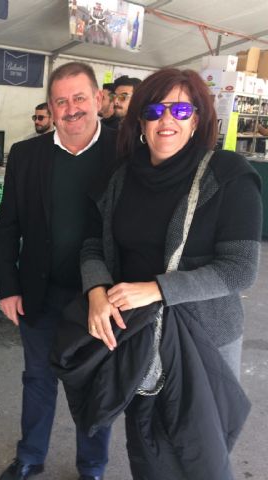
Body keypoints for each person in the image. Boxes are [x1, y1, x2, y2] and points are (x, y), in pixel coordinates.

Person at [81, 68, 261, 478]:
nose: (167, 120)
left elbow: (240, 270)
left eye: (181, 110)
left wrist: (157, 289)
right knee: (146, 444)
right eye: (155, 110)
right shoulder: (121, 176)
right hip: (138, 332)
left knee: (203, 454)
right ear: (140, 121)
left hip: (205, 339)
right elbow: (93, 245)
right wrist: (96, 290)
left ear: (197, 120)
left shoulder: (228, 174)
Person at [0, 61, 118, 480]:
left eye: (79, 98)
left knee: (96, 383)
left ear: (98, 99)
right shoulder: (26, 154)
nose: (71, 109)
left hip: (100, 297)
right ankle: (30, 456)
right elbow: (7, 226)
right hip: (39, 293)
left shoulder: (125, 152)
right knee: (37, 379)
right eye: (61, 101)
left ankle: (93, 466)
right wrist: (7, 287)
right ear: (50, 107)